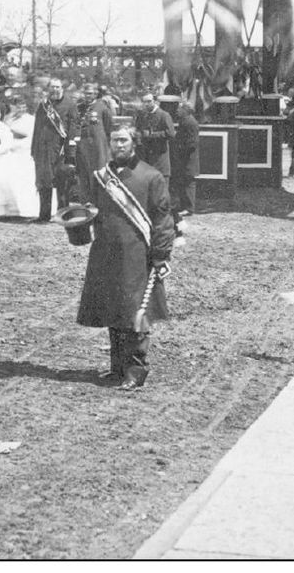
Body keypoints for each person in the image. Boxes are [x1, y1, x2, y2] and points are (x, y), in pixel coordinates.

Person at [76, 124, 175, 390]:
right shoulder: (102, 176)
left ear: (134, 142)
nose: (118, 145)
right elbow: (95, 209)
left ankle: (135, 371)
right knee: (113, 308)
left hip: (136, 255)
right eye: (114, 140)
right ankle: (117, 368)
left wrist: (160, 254)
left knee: (135, 310)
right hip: (106, 252)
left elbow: (163, 220)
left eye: (123, 140)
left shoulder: (151, 177)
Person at [30, 78, 77, 222]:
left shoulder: (70, 105)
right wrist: (34, 148)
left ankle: (63, 215)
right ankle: (44, 215)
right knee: (44, 182)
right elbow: (37, 128)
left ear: (62, 88)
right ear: (48, 88)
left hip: (61, 149)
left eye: (58, 87)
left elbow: (73, 129)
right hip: (43, 150)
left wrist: (71, 153)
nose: (55, 90)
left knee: (62, 183)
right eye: (52, 87)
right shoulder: (43, 105)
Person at [134, 89, 175, 189]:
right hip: (146, 157)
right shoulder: (142, 115)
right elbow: (138, 129)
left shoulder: (164, 115)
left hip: (160, 158)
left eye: (149, 101)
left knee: (161, 188)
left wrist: (152, 135)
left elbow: (171, 133)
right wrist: (138, 135)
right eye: (144, 102)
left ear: (155, 101)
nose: (146, 104)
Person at [170, 101, 200, 219]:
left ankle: (189, 208)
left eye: (179, 109)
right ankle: (184, 207)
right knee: (184, 182)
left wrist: (180, 149)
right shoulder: (185, 121)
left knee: (188, 183)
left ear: (186, 110)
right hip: (185, 159)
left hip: (188, 159)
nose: (177, 111)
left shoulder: (190, 122)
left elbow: (192, 143)